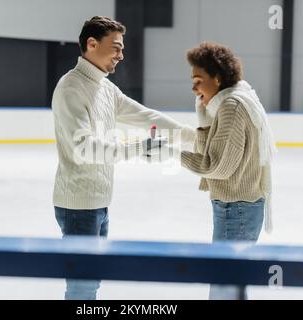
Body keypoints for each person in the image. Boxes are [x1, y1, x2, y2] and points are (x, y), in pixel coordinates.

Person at [51, 16, 195, 300]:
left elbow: (146, 116)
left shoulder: (105, 87)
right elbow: (87, 149)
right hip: (79, 208)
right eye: (116, 48)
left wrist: (194, 137)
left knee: (91, 280)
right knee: (83, 284)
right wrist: (140, 147)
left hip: (98, 204)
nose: (121, 55)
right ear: (92, 44)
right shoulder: (71, 88)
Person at [180, 42, 277, 299]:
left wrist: (172, 154)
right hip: (239, 206)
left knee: (224, 284)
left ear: (218, 78)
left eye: (199, 80)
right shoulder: (235, 98)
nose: (194, 88)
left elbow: (216, 167)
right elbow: (211, 154)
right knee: (232, 282)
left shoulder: (232, 106)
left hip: (237, 209)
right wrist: (203, 123)